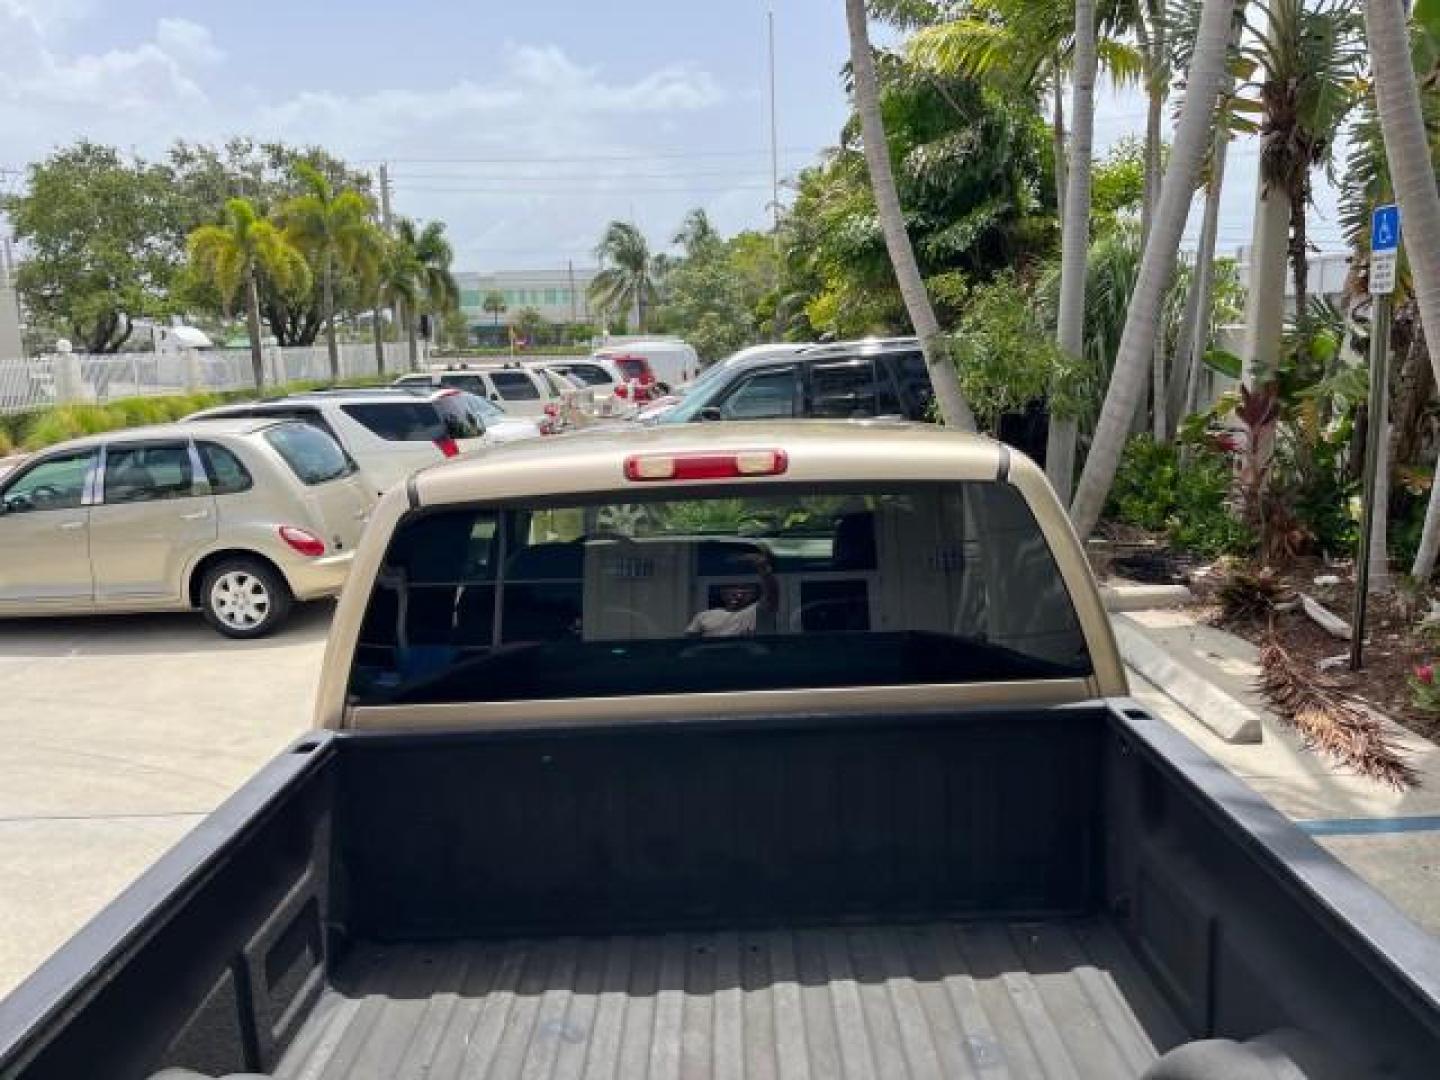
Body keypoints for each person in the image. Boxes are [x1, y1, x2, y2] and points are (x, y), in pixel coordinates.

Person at [685, 550, 778, 637]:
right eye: (733, 588)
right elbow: (688, 644)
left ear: (753, 593)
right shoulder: (703, 616)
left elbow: (771, 593)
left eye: (744, 589)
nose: (738, 594)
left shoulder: (758, 612)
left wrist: (765, 571)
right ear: (722, 592)